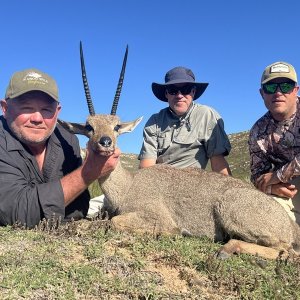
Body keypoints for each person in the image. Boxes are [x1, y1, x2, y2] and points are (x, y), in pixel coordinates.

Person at [0, 68, 119, 228]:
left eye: (46, 110)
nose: (37, 118)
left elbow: (80, 207)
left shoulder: (68, 140)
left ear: (57, 112)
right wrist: (88, 172)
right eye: (26, 108)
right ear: (5, 108)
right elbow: (15, 214)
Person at [138, 66, 231, 175]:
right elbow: (147, 168)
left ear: (193, 92)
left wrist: (231, 190)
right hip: (159, 183)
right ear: (166, 94)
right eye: (173, 91)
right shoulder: (154, 121)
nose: (179, 95)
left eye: (185, 90)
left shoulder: (206, 115)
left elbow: (218, 162)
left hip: (193, 186)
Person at [248, 61, 300, 223]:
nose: (278, 92)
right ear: (262, 93)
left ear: (295, 90)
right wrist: (272, 187)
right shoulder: (258, 131)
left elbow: (270, 177)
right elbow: (258, 176)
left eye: (285, 86)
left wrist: (277, 176)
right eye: (270, 87)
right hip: (288, 189)